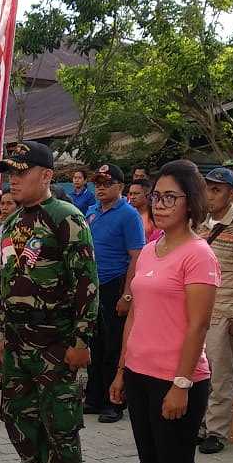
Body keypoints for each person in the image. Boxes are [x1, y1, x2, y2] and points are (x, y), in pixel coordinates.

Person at [108, 160, 218, 463]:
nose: (161, 203)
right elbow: (136, 311)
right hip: (138, 373)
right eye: (156, 196)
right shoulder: (152, 249)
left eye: (170, 196)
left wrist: (182, 383)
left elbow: (198, 326)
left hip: (178, 380)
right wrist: (120, 371)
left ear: (191, 202)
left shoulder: (199, 254)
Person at [0, 141, 99, 463]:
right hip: (19, 341)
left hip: (56, 342)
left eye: (21, 173)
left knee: (60, 423)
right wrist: (3, 334)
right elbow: (6, 281)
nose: (14, 180)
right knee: (20, 417)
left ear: (45, 176)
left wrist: (81, 341)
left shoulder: (67, 218)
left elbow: (86, 286)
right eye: (11, 173)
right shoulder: (12, 222)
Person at [198, 166, 233, 454]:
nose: (210, 195)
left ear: (232, 194)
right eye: (208, 188)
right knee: (198, 371)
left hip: (225, 310)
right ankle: (200, 424)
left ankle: (216, 430)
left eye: (217, 189)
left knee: (220, 375)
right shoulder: (200, 223)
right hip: (198, 310)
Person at [83, 163, 146, 424]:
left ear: (120, 186)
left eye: (106, 183)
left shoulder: (129, 215)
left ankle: (114, 402)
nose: (100, 187)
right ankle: (95, 397)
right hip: (92, 285)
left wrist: (127, 294)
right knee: (95, 343)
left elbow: (137, 256)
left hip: (115, 284)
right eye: (97, 183)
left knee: (114, 345)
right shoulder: (91, 211)